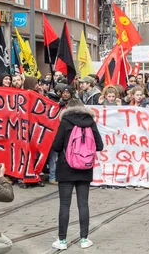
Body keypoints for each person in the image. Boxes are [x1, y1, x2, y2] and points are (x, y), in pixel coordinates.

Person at [51, 99, 104, 250]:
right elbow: (100, 145)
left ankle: (62, 241)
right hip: (85, 169)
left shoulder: (65, 122)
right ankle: (84, 239)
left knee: (64, 205)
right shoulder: (91, 122)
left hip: (66, 168)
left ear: (68, 109)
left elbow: (56, 146)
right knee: (83, 204)